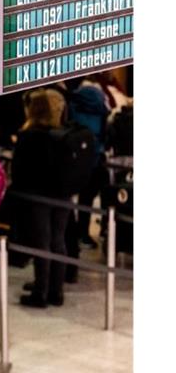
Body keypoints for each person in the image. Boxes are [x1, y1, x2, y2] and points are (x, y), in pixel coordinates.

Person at [12, 88, 70, 308]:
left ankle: (40, 292)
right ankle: (56, 290)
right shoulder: (62, 134)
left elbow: (19, 171)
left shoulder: (28, 136)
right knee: (58, 241)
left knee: (41, 244)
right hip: (62, 196)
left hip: (38, 197)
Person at [67, 79, 110, 248]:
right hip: (94, 156)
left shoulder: (73, 103)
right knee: (87, 198)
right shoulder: (101, 107)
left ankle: (71, 236)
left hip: (74, 156)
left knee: (68, 198)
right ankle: (84, 233)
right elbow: (105, 132)